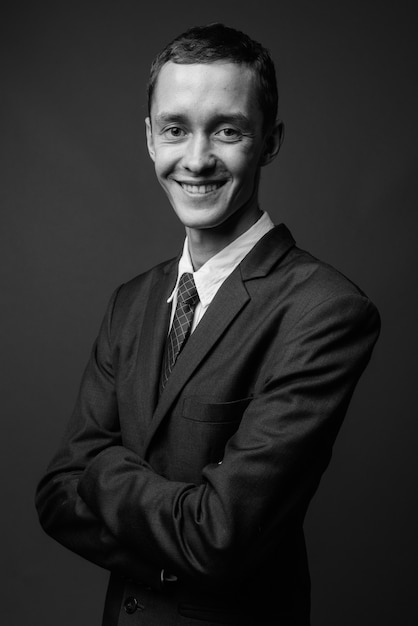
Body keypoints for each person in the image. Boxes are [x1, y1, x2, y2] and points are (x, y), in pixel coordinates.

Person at [35, 23, 380, 626]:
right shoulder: (131, 301)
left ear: (269, 142)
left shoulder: (325, 310)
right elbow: (57, 495)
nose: (196, 159)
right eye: (175, 129)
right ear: (149, 139)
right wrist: (175, 552)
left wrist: (104, 471)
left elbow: (221, 535)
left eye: (227, 129)